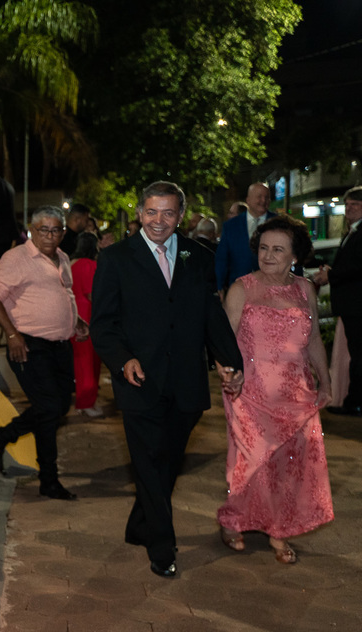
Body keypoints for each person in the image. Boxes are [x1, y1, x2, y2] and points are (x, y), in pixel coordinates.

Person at [91, 181, 243, 579]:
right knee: (147, 460)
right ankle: (161, 545)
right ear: (139, 213)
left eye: (169, 213)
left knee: (167, 461)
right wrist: (122, 359)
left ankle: (139, 523)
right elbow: (103, 325)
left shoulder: (200, 256)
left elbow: (211, 315)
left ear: (181, 215)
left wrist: (230, 359)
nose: (160, 221)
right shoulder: (116, 259)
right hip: (139, 379)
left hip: (187, 380)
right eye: (152, 212)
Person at [217, 215, 333, 563]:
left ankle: (279, 531)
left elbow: (312, 339)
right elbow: (223, 343)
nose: (268, 256)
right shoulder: (243, 288)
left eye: (278, 250)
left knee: (288, 465)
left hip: (296, 393)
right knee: (251, 464)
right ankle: (233, 520)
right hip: (249, 392)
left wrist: (325, 381)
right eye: (263, 248)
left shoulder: (305, 289)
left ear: (295, 256)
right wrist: (227, 372)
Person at [0, 206, 87, 499]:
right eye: (44, 230)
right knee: (50, 409)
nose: (50, 236)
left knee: (58, 407)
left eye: (56, 230)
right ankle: (49, 480)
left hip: (61, 345)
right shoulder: (16, 258)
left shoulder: (63, 258)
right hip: (28, 345)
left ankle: (0, 436)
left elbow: (63, 294)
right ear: (32, 230)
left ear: (64, 233)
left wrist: (74, 320)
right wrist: (12, 334)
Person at [326, 186, 362, 415]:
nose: (349, 208)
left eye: (355, 205)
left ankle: (355, 402)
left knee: (358, 355)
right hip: (351, 304)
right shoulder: (352, 231)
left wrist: (329, 274)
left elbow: (355, 267)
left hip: (357, 304)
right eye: (347, 205)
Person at [216, 182, 275, 292]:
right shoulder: (231, 226)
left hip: (271, 290)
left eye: (267, 197)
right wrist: (220, 288)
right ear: (248, 200)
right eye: (259, 197)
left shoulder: (279, 223)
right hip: (238, 290)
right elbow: (222, 259)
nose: (263, 200)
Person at [68, 232, 101, 416]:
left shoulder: (70, 264)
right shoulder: (89, 265)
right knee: (89, 363)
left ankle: (86, 402)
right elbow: (91, 294)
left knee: (81, 362)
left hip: (74, 316)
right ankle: (86, 403)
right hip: (87, 318)